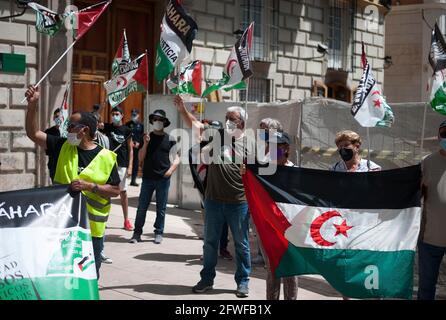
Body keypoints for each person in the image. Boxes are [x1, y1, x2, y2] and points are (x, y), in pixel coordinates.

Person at [24, 85, 120, 278]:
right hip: (62, 226)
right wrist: (32, 105)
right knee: (60, 274)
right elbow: (33, 134)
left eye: (70, 126)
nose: (66, 129)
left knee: (88, 275)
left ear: (84, 130)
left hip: (91, 231)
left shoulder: (107, 157)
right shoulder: (62, 146)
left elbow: (115, 190)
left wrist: (90, 186)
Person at [175, 95, 254, 298]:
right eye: (227, 117)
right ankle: (207, 279)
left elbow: (260, 176)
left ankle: (243, 281)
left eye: (232, 118)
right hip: (213, 201)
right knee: (210, 243)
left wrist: (249, 171)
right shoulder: (217, 136)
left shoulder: (251, 145)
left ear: (242, 123)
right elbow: (195, 125)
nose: (228, 121)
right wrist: (183, 110)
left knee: (241, 243)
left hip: (238, 203)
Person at [331, 130, 381, 300]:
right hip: (344, 227)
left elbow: (381, 195)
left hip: (367, 225)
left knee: (369, 265)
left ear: (357, 146)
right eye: (339, 147)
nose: (342, 149)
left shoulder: (372, 168)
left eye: (346, 146)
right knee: (346, 267)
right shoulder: (335, 169)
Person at [129, 109, 180, 244]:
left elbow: (177, 158)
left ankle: (158, 232)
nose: (158, 122)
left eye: (160, 120)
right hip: (148, 178)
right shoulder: (146, 137)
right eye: (155, 119)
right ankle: (137, 233)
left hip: (163, 179)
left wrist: (170, 171)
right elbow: (140, 158)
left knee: (161, 208)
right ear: (152, 121)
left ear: (164, 122)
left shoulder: (170, 139)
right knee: (142, 207)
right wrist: (145, 143)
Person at [189, 119, 233, 261]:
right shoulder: (199, 148)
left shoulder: (226, 148)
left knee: (224, 222)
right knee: (209, 223)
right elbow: (196, 168)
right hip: (206, 191)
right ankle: (208, 250)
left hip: (223, 191)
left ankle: (223, 248)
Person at [417, 120, 446, 300]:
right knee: (426, 289)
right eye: (444, 133)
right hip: (430, 239)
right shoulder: (426, 162)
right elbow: (413, 195)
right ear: (438, 136)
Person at [252, 117, 284, 266]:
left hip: (271, 195)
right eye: (261, 128)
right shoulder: (261, 147)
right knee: (259, 225)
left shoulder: (277, 149)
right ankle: (261, 253)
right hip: (259, 193)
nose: (261, 131)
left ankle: (271, 255)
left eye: (264, 128)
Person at [104, 106, 134, 231]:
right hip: (108, 164)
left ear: (122, 115)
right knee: (105, 192)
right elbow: (95, 119)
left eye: (117, 113)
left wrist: (130, 166)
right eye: (113, 113)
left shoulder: (127, 130)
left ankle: (126, 220)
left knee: (123, 192)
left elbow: (131, 149)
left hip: (121, 164)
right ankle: (103, 219)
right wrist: (103, 103)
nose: (114, 115)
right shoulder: (107, 128)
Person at [91, 112, 113, 265]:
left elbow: (106, 159)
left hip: (100, 187)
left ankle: (100, 251)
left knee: (101, 224)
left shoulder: (104, 139)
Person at [126, 109, 144, 187]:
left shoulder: (141, 125)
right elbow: (125, 134)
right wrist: (131, 142)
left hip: (137, 147)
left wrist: (139, 142)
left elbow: (142, 135)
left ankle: (133, 180)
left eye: (135, 115)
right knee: (127, 162)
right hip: (128, 146)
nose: (133, 116)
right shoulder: (127, 124)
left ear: (138, 115)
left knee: (136, 164)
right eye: (132, 115)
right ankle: (124, 178)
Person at [44, 108, 63, 181]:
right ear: (53, 118)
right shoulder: (48, 132)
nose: (58, 119)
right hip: (54, 164)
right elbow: (46, 148)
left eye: (60, 117)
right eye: (56, 116)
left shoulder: (69, 131)